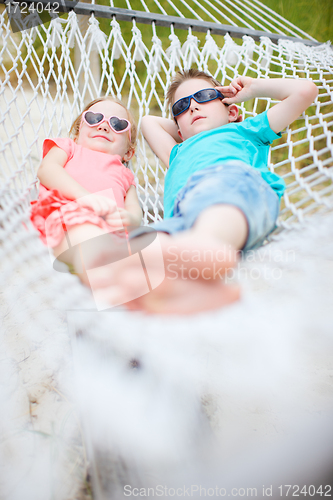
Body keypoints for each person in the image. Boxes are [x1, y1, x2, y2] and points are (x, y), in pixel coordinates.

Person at [84, 70, 318, 314]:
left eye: (205, 96)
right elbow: (147, 122)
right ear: (179, 132)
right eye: (181, 107)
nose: (193, 107)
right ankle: (189, 293)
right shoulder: (177, 153)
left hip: (234, 185)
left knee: (213, 207)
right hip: (182, 219)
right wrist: (188, 128)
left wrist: (253, 89)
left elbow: (304, 91)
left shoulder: (247, 131)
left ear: (232, 111)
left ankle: (207, 249)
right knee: (133, 261)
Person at [30, 96, 142, 283]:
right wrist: (84, 197)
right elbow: (47, 170)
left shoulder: (125, 175)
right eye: (93, 118)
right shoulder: (69, 147)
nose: (104, 126)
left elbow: (133, 208)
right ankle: (108, 284)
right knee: (90, 242)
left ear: (128, 152)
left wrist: (132, 219)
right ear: (76, 134)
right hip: (67, 216)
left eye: (117, 124)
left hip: (114, 233)